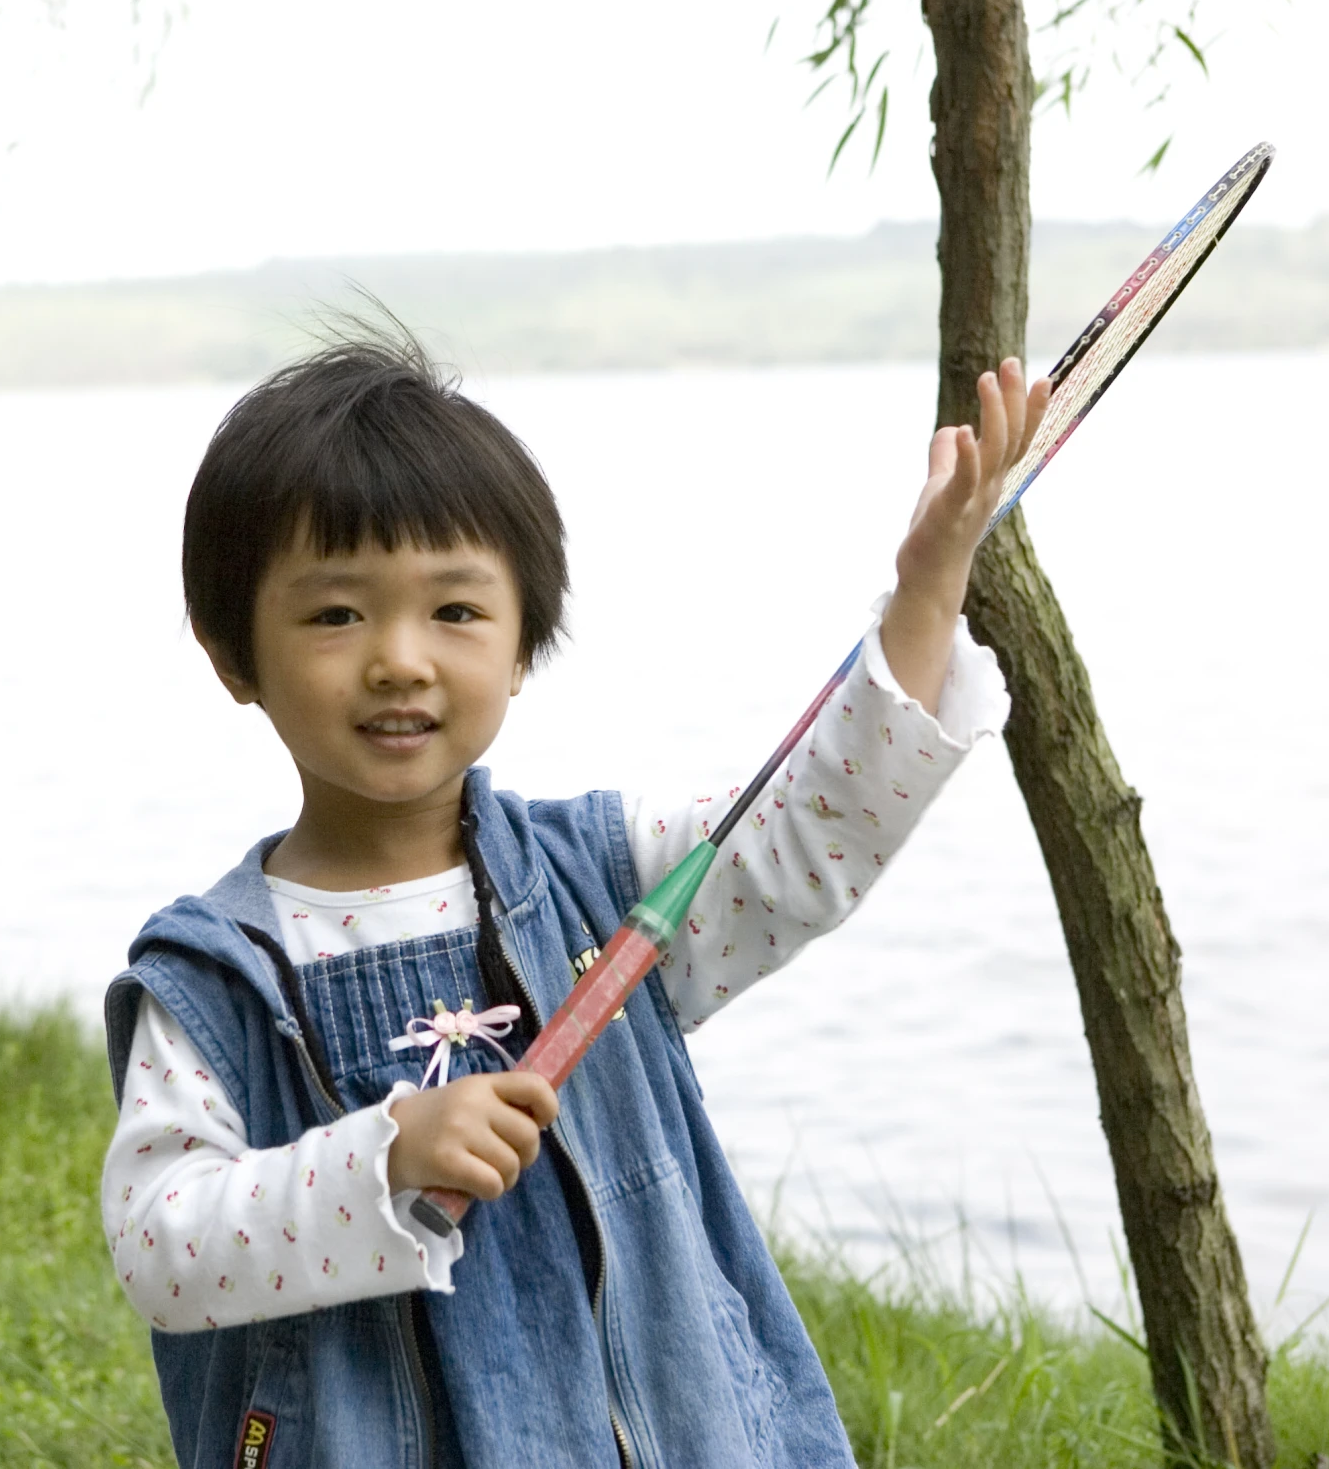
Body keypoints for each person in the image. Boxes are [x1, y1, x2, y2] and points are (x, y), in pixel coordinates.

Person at [101, 326, 1045, 1468]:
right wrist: (383, 1157)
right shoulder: (215, 977)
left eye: (454, 611)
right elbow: (162, 1244)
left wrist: (928, 584)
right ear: (229, 649)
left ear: (521, 644)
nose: (400, 658)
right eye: (336, 613)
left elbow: (812, 825)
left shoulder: (607, 877)